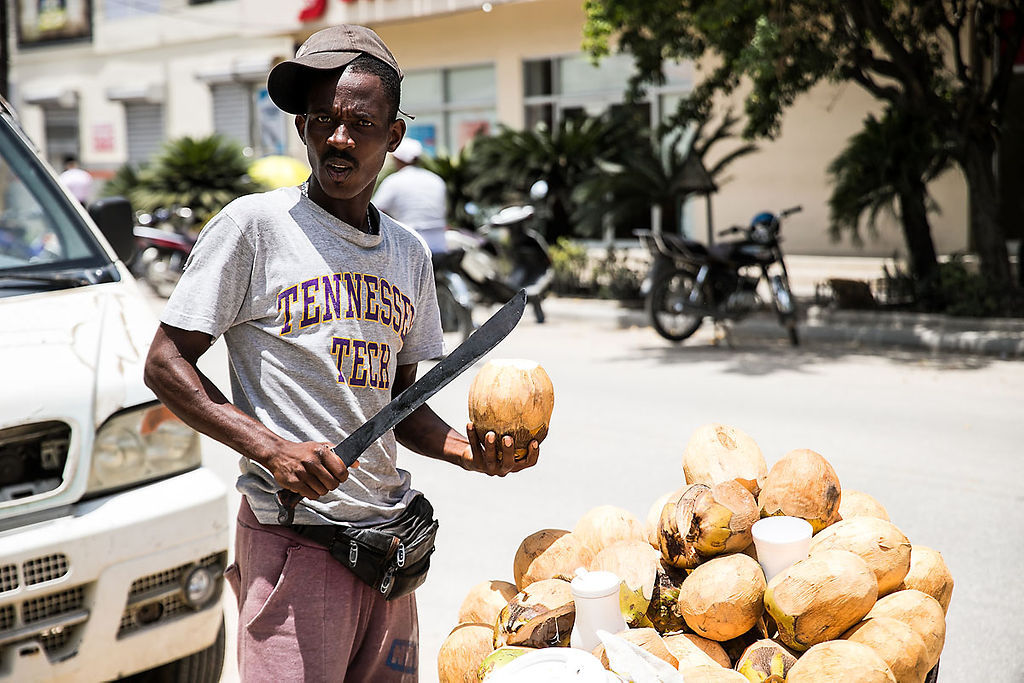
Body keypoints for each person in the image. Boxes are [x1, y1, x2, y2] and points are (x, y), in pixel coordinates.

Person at [142, 24, 540, 682]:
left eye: (359, 122)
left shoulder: (408, 254)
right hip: (296, 545)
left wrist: (471, 453)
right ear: (301, 126)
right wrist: (271, 448)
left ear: (394, 136)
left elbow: (400, 406)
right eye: (322, 119)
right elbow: (165, 363)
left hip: (387, 551)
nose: (337, 138)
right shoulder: (255, 227)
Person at [373, 136, 449, 256]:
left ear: (398, 159)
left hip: (412, 247)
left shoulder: (394, 181)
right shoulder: (435, 179)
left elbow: (375, 211)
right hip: (440, 245)